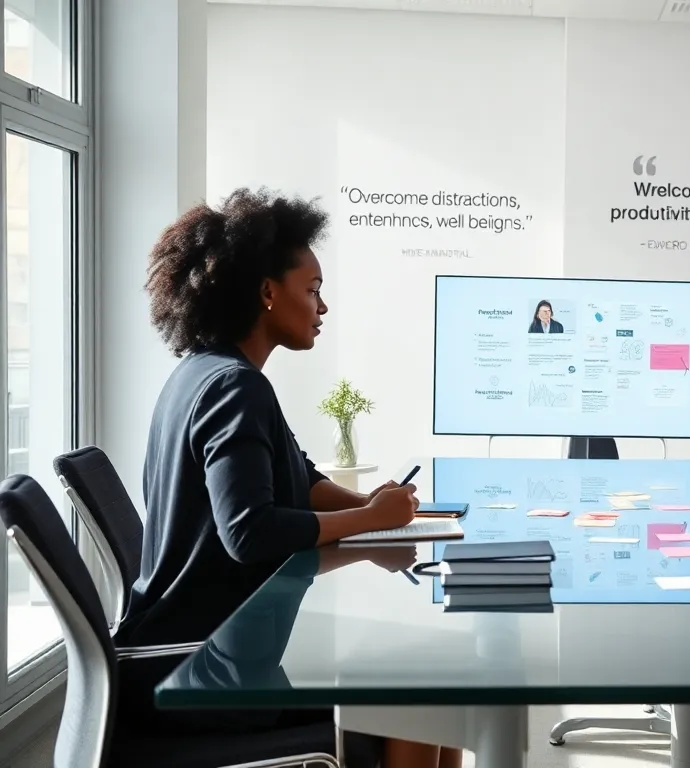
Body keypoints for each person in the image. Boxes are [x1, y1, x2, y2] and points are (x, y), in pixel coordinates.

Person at [124, 188, 460, 768]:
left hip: (199, 650)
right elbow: (248, 533)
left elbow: (298, 479)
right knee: (424, 685)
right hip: (203, 667)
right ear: (267, 292)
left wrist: (373, 508)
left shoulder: (210, 372)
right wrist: (369, 520)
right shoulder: (235, 387)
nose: (323, 306)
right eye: (313, 290)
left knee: (431, 680)